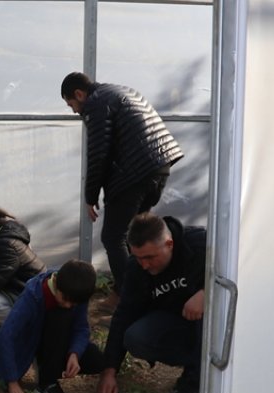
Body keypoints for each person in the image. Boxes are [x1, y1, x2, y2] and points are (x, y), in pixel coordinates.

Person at [60, 71, 184, 310]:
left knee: (113, 236)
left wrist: (90, 196)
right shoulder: (121, 92)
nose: (75, 110)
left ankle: (130, 302)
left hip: (135, 174)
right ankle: (127, 293)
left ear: (79, 93)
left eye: (72, 104)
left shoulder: (96, 104)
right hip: (157, 169)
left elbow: (99, 154)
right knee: (134, 236)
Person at [96, 213, 206, 393]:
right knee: (136, 338)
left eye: (149, 257)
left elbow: (242, 266)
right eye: (138, 257)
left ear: (169, 244)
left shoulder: (200, 245)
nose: (144, 265)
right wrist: (109, 370)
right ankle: (195, 364)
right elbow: (123, 314)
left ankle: (199, 384)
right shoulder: (136, 269)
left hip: (210, 322)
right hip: (176, 321)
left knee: (209, 314)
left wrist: (208, 293)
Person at [0, 260, 105, 393]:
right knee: (61, 316)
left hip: (57, 341)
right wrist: (12, 381)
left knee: (97, 361)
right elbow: (4, 336)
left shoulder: (76, 292)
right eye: (65, 299)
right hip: (30, 343)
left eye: (73, 304)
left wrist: (74, 354)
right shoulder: (33, 295)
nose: (68, 305)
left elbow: (81, 328)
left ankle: (50, 365)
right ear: (56, 283)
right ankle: (47, 382)